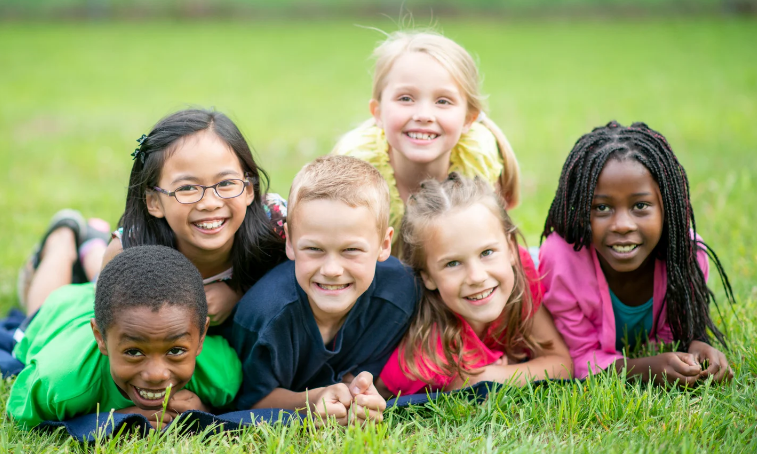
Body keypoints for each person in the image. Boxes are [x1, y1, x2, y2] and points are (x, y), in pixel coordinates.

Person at [18, 108, 287, 335]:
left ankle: (91, 241)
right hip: (129, 287)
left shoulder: (277, 224)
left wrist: (237, 292)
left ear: (250, 189)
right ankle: (63, 239)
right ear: (154, 202)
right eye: (187, 189)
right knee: (42, 327)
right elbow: (112, 335)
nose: (210, 202)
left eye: (226, 183)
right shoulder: (130, 251)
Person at [539, 121, 735, 385]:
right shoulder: (561, 263)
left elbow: (680, 331)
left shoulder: (687, 256)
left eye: (640, 205)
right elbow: (578, 357)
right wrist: (642, 369)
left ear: (667, 207)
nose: (622, 225)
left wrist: (696, 343)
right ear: (581, 208)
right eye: (602, 208)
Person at [231, 155, 417, 425]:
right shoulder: (264, 316)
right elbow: (250, 403)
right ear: (291, 243)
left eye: (351, 250)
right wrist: (313, 401)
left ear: (384, 245)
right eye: (314, 249)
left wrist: (363, 395)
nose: (332, 269)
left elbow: (366, 378)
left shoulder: (400, 293)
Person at [376, 174, 571, 397]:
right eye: (453, 263)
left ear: (510, 249)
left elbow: (562, 364)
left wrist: (486, 378)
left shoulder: (520, 273)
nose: (477, 277)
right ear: (428, 277)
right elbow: (380, 392)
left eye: (487, 252)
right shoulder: (427, 356)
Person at [7, 245, 241, 430]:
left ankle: (92, 244)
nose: (156, 375)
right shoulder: (58, 382)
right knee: (40, 302)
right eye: (134, 352)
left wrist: (204, 407)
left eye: (176, 351)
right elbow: (18, 413)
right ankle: (63, 238)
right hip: (61, 313)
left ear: (201, 338)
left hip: (119, 312)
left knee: (100, 284)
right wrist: (115, 419)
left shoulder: (221, 374)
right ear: (100, 338)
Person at [333, 30, 520, 254]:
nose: (423, 115)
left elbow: (494, 252)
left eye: (443, 101)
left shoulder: (479, 162)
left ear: (469, 118)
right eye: (405, 98)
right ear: (379, 112)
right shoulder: (356, 171)